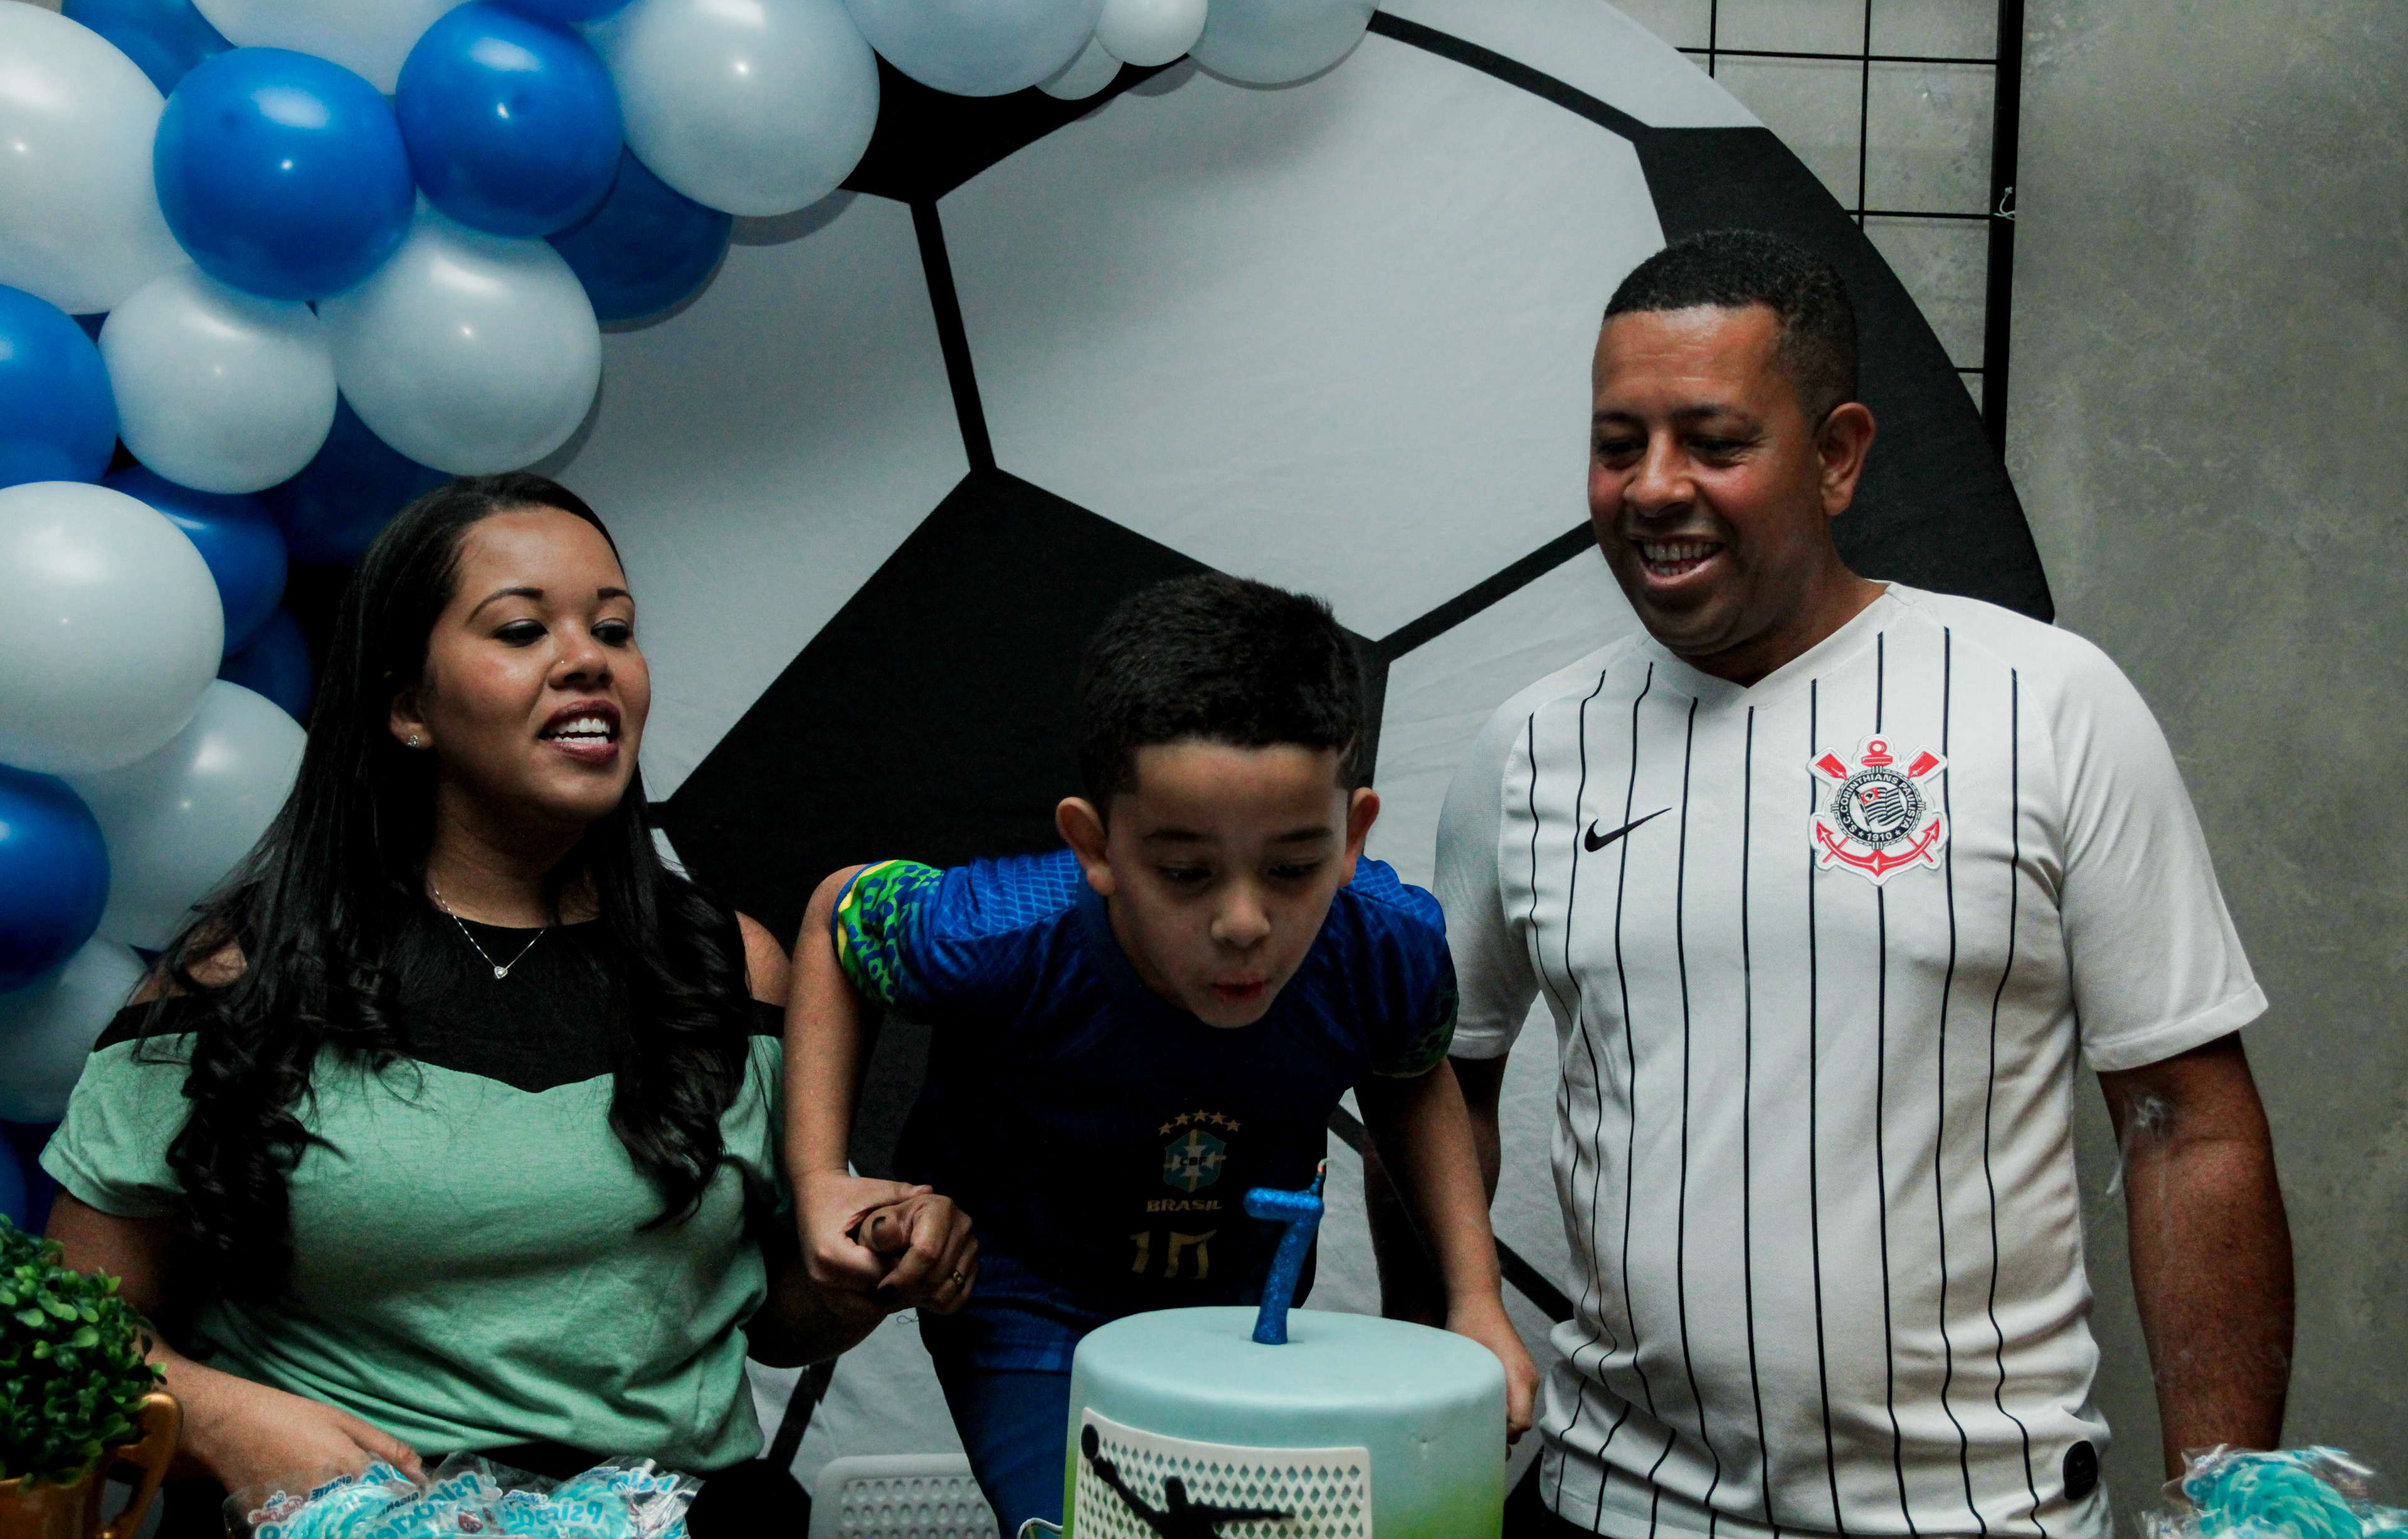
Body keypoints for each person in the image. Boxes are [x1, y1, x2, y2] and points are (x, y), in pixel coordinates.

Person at [1425, 230, 2292, 1538]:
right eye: (1619, 443)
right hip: (1611, 1504)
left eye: (1713, 440)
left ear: (1835, 454)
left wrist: (2230, 1508)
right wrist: (1438, 1345)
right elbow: (1440, 1080)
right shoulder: (1531, 745)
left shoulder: (2042, 701)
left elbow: (2189, 1119)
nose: (1654, 488)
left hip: (1974, 1513)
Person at [39, 474, 975, 1535]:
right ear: (406, 707)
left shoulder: (731, 970)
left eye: (615, 629)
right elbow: (67, 1338)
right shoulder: (244, 977)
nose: (589, 660)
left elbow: (774, 1322)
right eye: (523, 630)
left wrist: (865, 1272)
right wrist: (214, 1417)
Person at [785, 574, 1539, 1536]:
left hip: (1242, 1309)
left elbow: (1412, 1079)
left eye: (1294, 867)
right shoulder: (998, 931)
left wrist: (1475, 1301)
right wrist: (819, 1177)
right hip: (1027, 1300)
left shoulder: (1389, 946)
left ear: (1353, 836)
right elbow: (837, 913)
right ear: (1094, 845)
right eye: (1185, 873)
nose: (1242, 923)